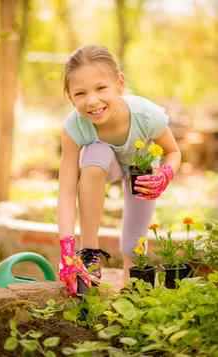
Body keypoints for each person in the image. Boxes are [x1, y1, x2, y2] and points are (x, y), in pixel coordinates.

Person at [58, 45, 181, 295]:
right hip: (104, 165)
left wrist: (165, 174)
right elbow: (67, 189)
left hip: (142, 171)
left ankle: (132, 286)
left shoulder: (146, 115)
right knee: (95, 153)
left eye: (101, 88)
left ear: (119, 83)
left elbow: (173, 152)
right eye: (80, 93)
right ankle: (89, 255)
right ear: (70, 97)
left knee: (134, 244)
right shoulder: (74, 127)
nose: (92, 100)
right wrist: (67, 249)